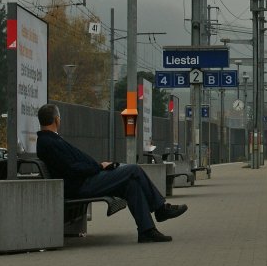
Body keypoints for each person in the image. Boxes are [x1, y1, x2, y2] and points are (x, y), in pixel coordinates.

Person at [35, 103, 187, 243]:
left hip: (84, 180)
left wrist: (100, 166)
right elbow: (71, 168)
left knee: (132, 184)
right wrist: (99, 167)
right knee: (133, 169)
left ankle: (147, 231)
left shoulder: (49, 140)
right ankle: (160, 209)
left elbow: (73, 165)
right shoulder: (48, 142)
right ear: (57, 119)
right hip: (81, 185)